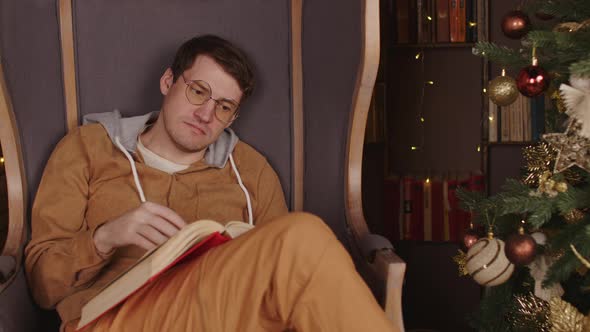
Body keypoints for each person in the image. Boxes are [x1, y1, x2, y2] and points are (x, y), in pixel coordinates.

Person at [25, 35, 397, 332]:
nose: (206, 114)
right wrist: (106, 237)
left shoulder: (251, 170)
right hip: (114, 320)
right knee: (304, 235)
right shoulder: (88, 147)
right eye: (198, 91)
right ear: (168, 81)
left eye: (223, 107)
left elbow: (285, 279)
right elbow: (43, 287)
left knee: (301, 245)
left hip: (224, 316)